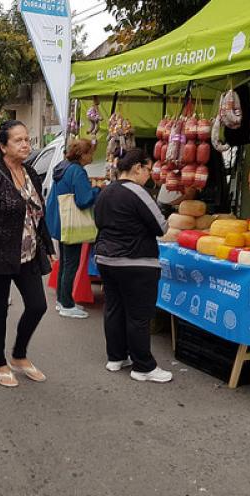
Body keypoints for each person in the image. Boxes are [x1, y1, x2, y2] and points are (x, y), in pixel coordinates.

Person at [0, 120, 55, 388]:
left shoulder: (30, 172)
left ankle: (19, 355)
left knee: (38, 306)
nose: (25, 144)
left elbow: (38, 214)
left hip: (28, 254)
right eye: (18, 140)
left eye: (27, 139)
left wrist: (48, 247)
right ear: (3, 146)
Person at [93, 148, 172, 383]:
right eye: (148, 170)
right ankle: (143, 367)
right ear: (137, 167)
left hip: (106, 259)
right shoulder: (138, 191)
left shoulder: (105, 191)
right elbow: (161, 227)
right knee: (139, 315)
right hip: (136, 261)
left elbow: (99, 222)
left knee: (114, 308)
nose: (149, 175)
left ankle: (116, 357)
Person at [44, 138, 100, 320]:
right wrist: (97, 190)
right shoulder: (77, 171)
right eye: (90, 153)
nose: (92, 157)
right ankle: (67, 304)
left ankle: (62, 300)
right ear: (82, 154)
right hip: (71, 224)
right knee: (70, 264)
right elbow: (83, 200)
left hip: (59, 221)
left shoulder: (62, 167)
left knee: (64, 263)